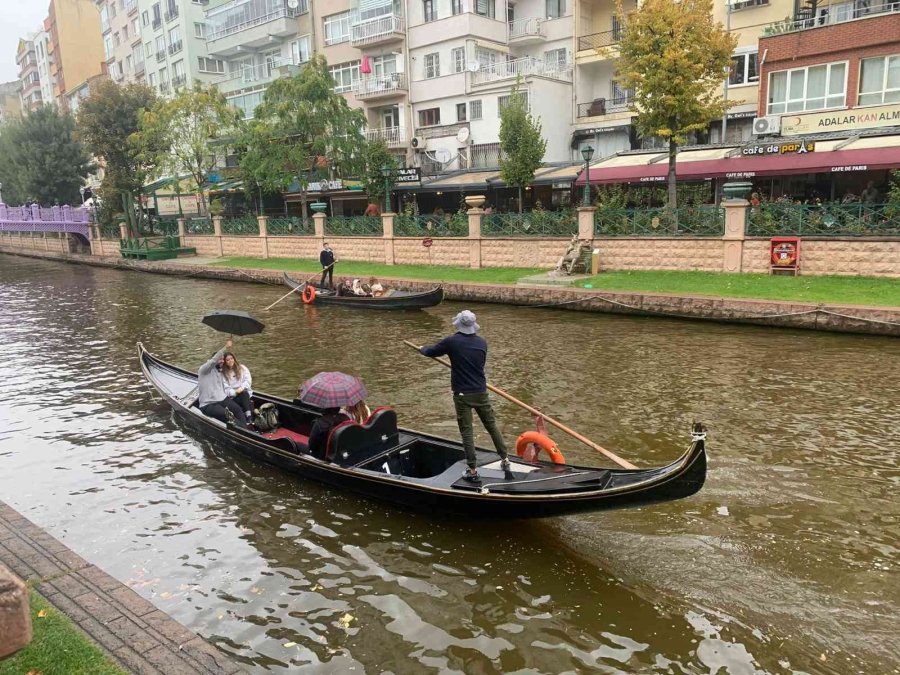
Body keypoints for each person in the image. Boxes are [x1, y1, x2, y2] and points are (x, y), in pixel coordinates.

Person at [419, 310, 510, 483]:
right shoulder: (482, 343)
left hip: (462, 395)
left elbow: (431, 351)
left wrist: (421, 349)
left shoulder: (452, 341)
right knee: (492, 426)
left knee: (467, 432)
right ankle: (505, 459)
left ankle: (473, 469)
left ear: (459, 324)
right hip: (481, 392)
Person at [198, 339, 247, 428]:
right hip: (208, 404)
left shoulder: (220, 371)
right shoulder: (204, 369)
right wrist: (226, 347)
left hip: (222, 399)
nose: (222, 362)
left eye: (222, 360)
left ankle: (246, 429)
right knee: (227, 416)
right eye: (220, 360)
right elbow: (213, 361)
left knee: (237, 409)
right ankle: (245, 432)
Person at [222, 352, 253, 422]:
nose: (230, 361)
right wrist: (235, 392)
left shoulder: (242, 368)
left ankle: (249, 417)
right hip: (233, 397)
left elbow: (248, 380)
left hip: (244, 393)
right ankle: (249, 418)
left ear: (234, 359)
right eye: (228, 360)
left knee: (244, 394)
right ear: (225, 362)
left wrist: (242, 388)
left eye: (231, 358)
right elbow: (225, 388)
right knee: (244, 397)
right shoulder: (223, 374)